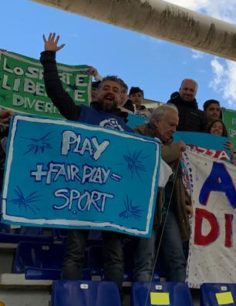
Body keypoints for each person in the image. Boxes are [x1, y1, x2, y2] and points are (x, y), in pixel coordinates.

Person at [41, 32, 131, 290]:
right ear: (96, 92)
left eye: (116, 90)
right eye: (106, 88)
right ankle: (70, 297)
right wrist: (49, 57)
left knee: (114, 256)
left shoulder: (129, 131)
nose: (110, 93)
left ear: (124, 98)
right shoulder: (81, 113)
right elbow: (56, 93)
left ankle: (110, 298)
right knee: (75, 251)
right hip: (79, 195)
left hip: (111, 199)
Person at [134, 105, 189, 282]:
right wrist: (175, 150)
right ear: (156, 121)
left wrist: (186, 201)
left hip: (168, 210)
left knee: (177, 260)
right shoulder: (138, 133)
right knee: (145, 260)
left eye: (176, 126)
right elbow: (147, 159)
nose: (174, 130)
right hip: (146, 209)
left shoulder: (171, 144)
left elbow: (178, 180)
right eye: (171, 124)